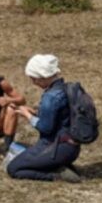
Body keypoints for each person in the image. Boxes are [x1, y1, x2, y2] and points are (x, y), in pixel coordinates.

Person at [6, 54, 82, 183]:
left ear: (42, 77)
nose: (33, 82)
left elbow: (45, 128)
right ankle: (59, 165)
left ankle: (56, 175)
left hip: (54, 148)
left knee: (13, 168)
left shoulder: (51, 96)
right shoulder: (66, 89)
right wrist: (35, 112)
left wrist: (27, 115)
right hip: (71, 147)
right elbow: (59, 119)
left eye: (34, 79)